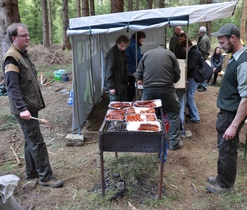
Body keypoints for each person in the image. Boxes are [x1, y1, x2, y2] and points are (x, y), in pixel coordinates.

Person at [3, 23, 63, 188]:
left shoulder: (22, 54)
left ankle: (31, 172)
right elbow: (12, 87)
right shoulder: (12, 58)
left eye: (28, 34)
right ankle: (46, 177)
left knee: (31, 140)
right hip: (24, 108)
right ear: (14, 38)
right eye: (24, 35)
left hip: (29, 105)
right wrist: (22, 109)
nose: (28, 38)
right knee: (37, 142)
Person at [206, 23, 247, 194]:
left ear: (233, 38)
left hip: (232, 115)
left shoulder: (244, 62)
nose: (221, 46)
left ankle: (226, 185)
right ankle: (221, 176)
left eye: (222, 42)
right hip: (227, 113)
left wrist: (234, 125)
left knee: (228, 149)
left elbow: (246, 98)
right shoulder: (236, 56)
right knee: (223, 147)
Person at [136, 45, 183, 150]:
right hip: (167, 88)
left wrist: (143, 80)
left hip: (148, 89)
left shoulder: (147, 54)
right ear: (164, 48)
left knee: (145, 113)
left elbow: (139, 74)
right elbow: (177, 75)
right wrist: (172, 80)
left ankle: (146, 141)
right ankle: (174, 142)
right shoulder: (171, 54)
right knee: (173, 112)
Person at [180, 39, 201, 124]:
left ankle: (195, 117)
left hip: (194, 76)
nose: (183, 50)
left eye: (183, 48)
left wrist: (184, 72)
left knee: (189, 96)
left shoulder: (194, 52)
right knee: (189, 96)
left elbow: (190, 66)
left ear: (187, 45)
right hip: (194, 76)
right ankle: (193, 114)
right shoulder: (193, 51)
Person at [104, 34, 130, 102]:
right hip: (115, 85)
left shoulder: (123, 52)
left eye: (125, 46)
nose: (123, 48)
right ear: (117, 43)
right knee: (115, 106)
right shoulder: (112, 54)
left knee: (124, 105)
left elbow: (124, 68)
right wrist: (111, 87)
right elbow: (108, 71)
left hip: (122, 84)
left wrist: (126, 81)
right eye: (122, 46)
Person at [126, 31, 146, 101]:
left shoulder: (132, 44)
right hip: (131, 70)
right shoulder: (133, 45)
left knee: (132, 87)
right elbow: (137, 58)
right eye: (142, 38)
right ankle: (131, 102)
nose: (142, 40)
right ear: (139, 38)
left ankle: (132, 100)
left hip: (131, 68)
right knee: (131, 88)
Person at [197, 26, 211, 92]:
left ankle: (204, 85)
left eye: (199, 31)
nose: (198, 32)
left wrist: (197, 54)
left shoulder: (203, 39)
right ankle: (201, 84)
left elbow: (203, 49)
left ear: (201, 32)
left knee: (202, 71)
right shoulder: (206, 37)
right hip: (204, 56)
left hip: (202, 56)